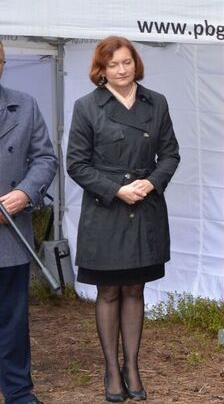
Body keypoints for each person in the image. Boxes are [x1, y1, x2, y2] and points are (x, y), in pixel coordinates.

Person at [66, 36, 180, 402]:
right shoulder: (87, 107)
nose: (120, 70)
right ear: (101, 69)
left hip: (145, 209)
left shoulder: (156, 103)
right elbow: (76, 164)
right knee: (109, 290)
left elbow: (171, 155)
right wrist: (117, 189)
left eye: (126, 62)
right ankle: (111, 370)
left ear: (136, 64)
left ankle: (132, 365)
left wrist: (151, 182)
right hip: (106, 211)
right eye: (112, 64)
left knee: (135, 289)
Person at [0, 40, 58, 404]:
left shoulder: (25, 105)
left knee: (13, 320)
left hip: (11, 234)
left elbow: (45, 160)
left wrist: (24, 193)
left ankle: (19, 391)